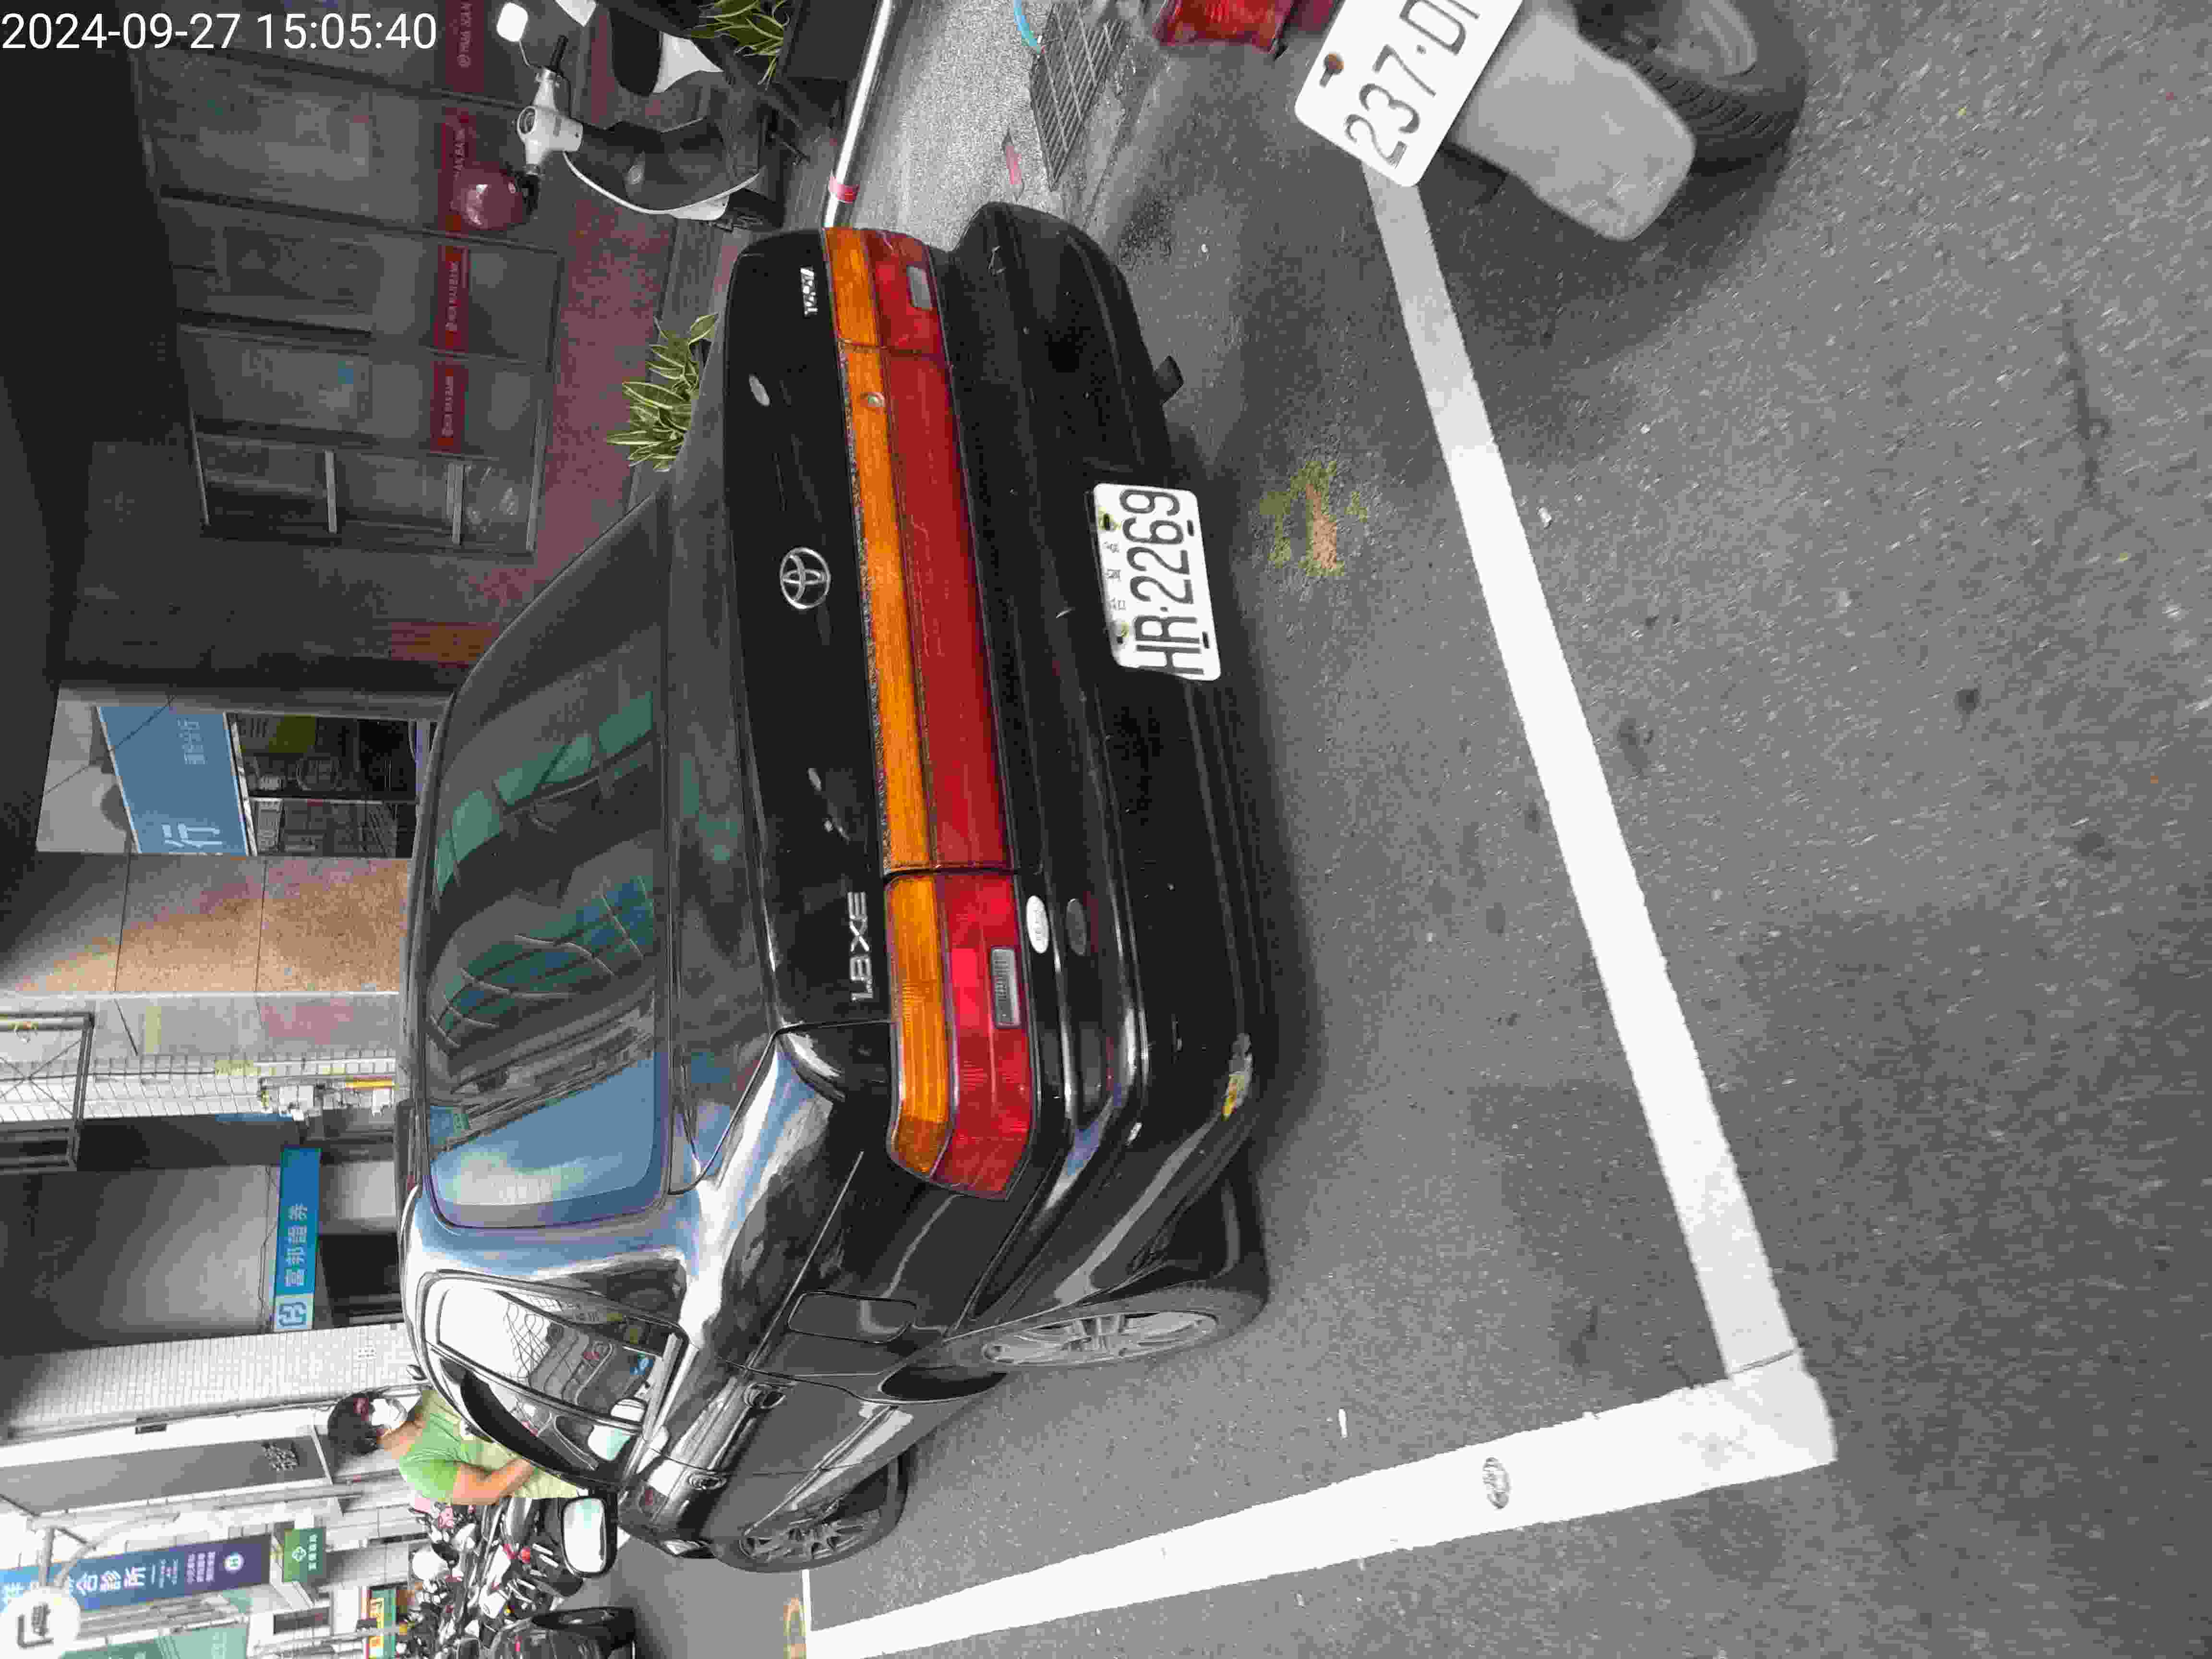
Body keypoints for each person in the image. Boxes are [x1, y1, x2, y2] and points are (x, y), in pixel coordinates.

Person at [328, 1387, 584, 1507]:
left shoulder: (432, 1397)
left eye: (373, 1398)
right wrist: (541, 1444)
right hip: (573, 1471)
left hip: (572, 1417)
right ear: (368, 1440)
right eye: (370, 1410)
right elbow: (489, 1490)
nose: (383, 1402)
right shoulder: (418, 1470)